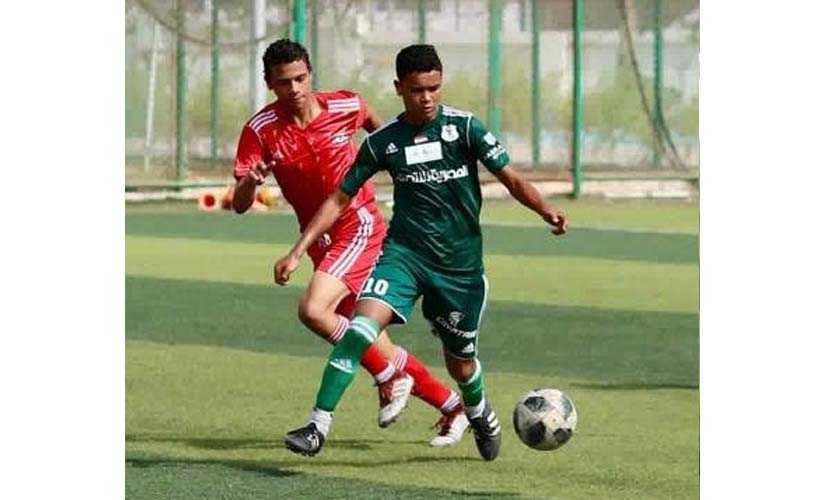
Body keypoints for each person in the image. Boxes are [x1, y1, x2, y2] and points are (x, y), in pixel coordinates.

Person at [275, 44, 568, 461]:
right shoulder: (383, 143)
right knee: (359, 330)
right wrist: (298, 251)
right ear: (399, 88)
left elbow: (512, 179)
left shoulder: (464, 128)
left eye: (434, 88)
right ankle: (317, 426)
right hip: (403, 258)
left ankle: (477, 410)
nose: (427, 98)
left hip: (459, 269)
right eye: (416, 90)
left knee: (461, 365)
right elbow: (339, 199)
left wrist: (546, 210)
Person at [233, 39, 469, 447]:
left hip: (358, 225)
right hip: (321, 241)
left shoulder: (346, 106)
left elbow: (391, 137)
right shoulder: (260, 130)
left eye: (301, 78)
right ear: (269, 83)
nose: (295, 88)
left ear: (311, 73)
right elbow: (239, 205)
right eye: (284, 82)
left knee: (314, 310)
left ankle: (387, 378)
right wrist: (250, 183)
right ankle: (452, 406)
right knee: (371, 341)